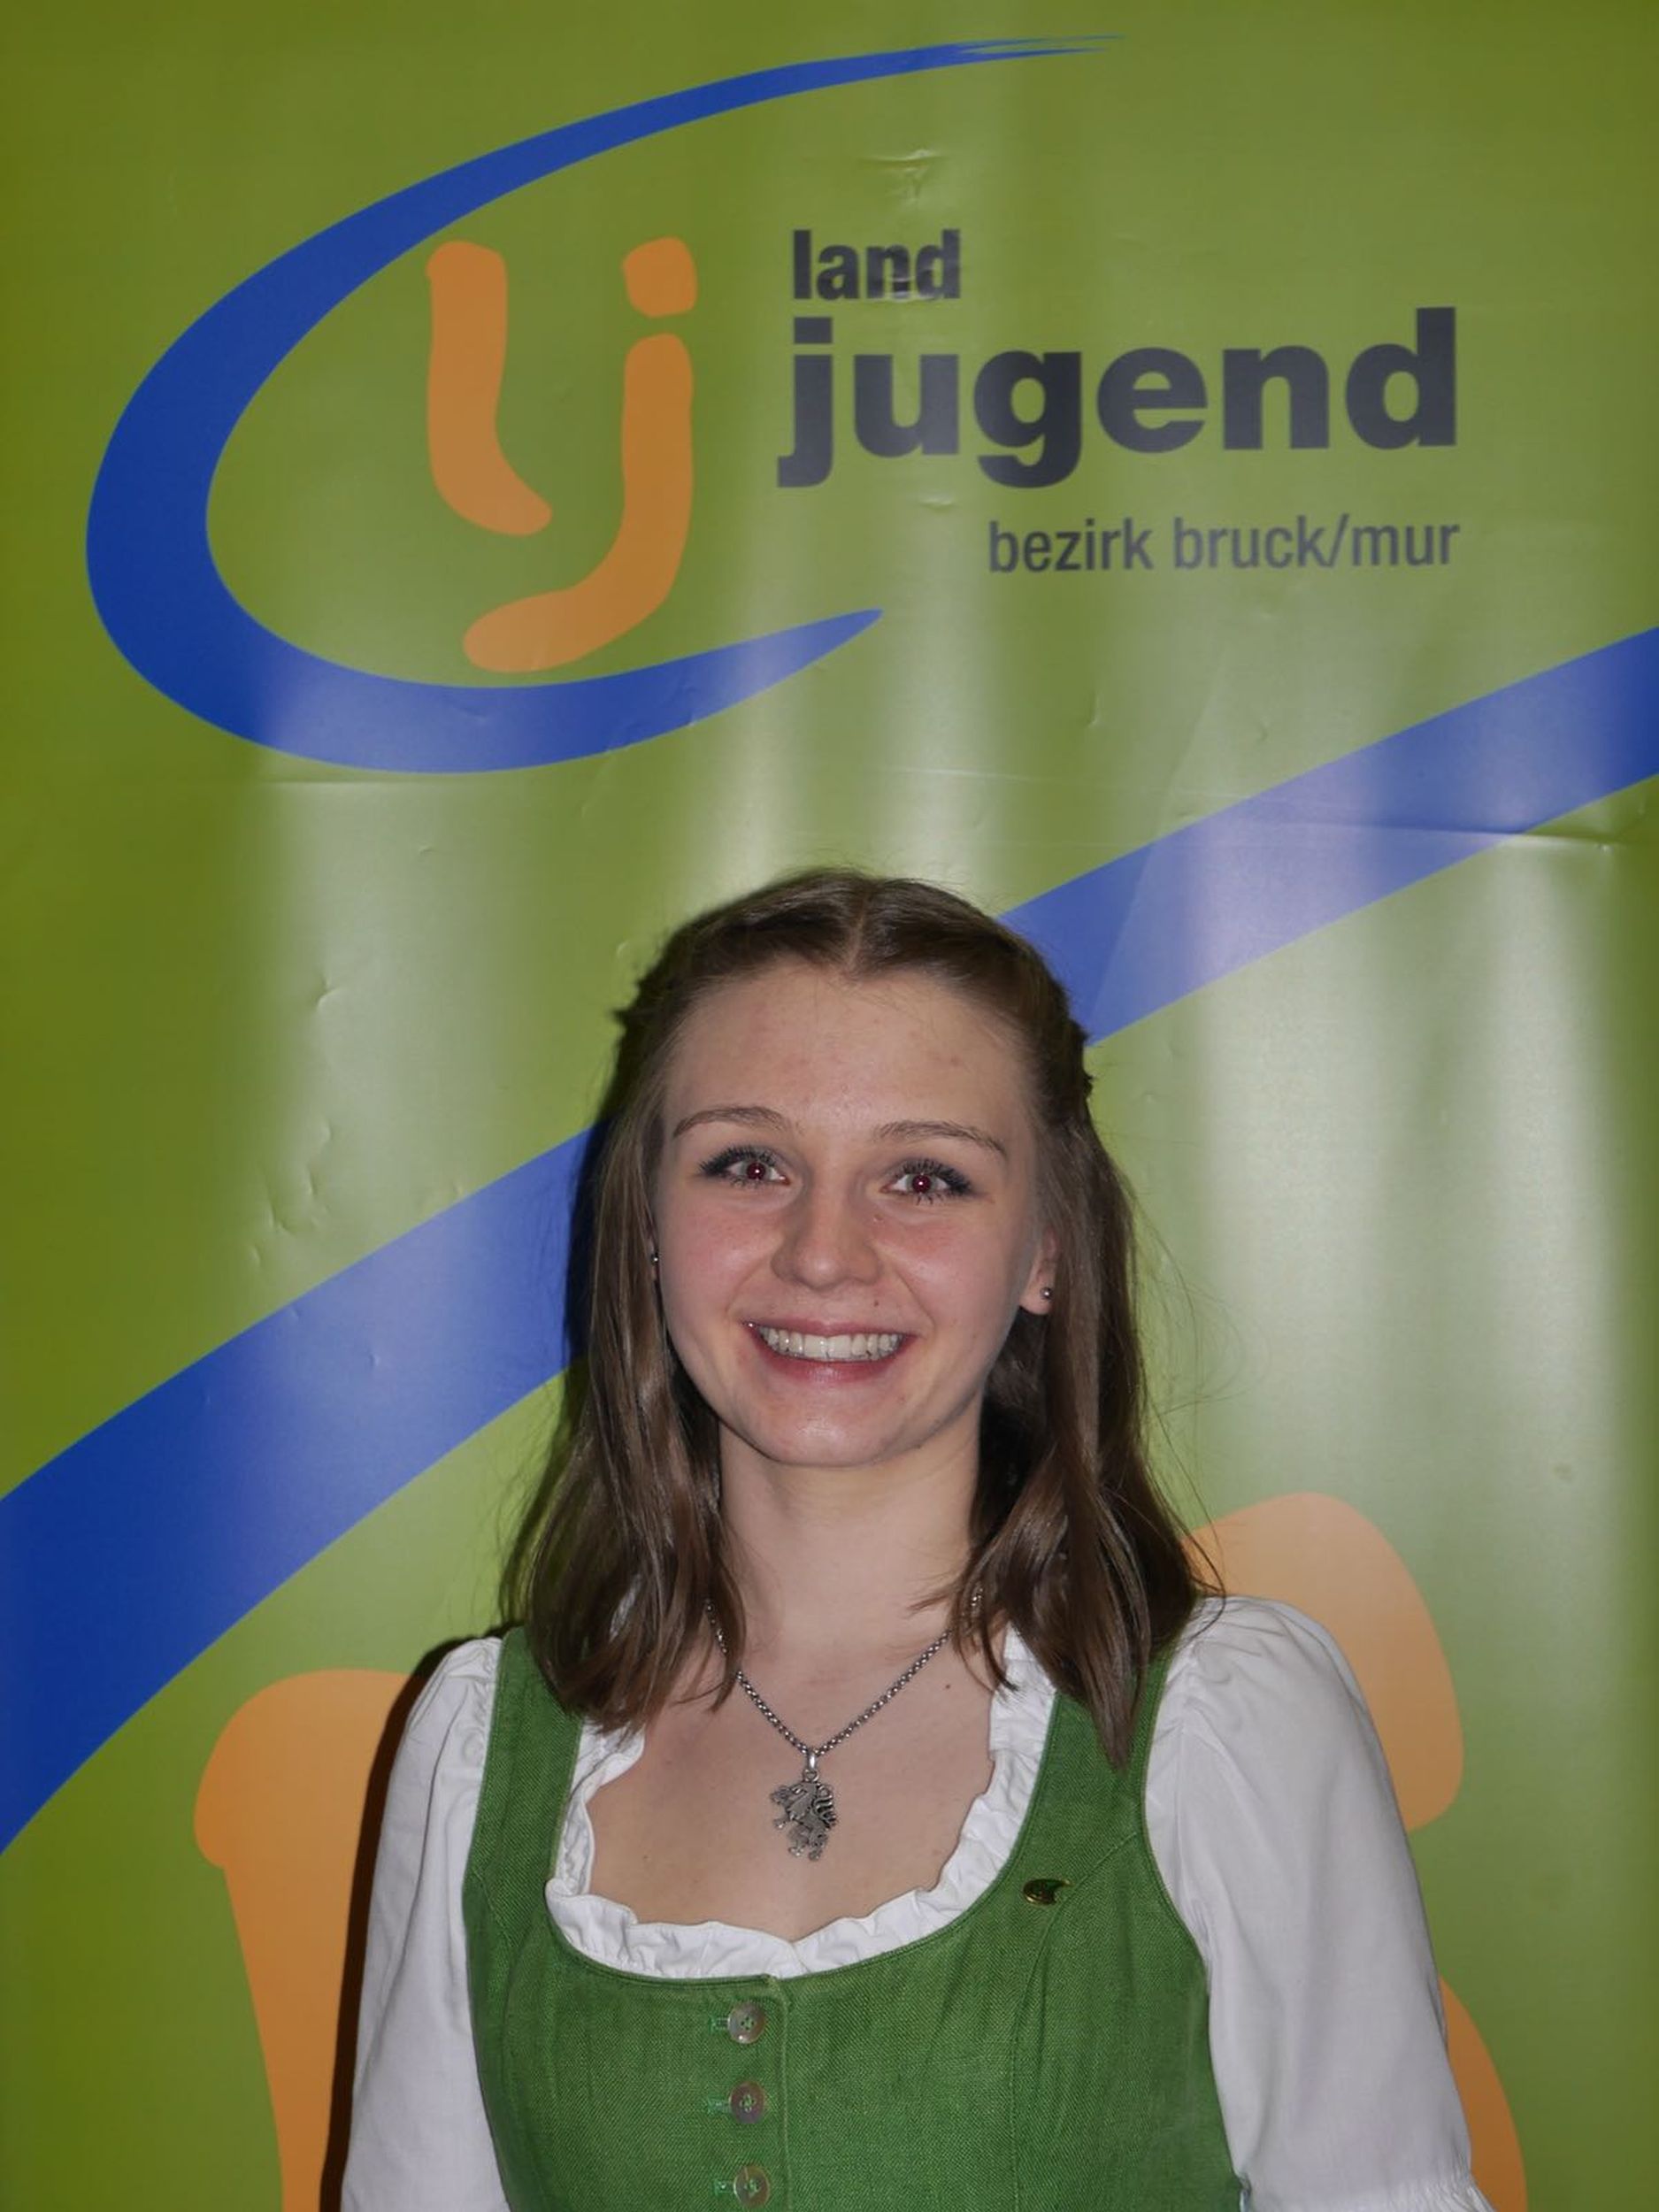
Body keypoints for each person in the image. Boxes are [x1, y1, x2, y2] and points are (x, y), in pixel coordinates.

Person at [343, 868, 1492, 2211]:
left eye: (925, 1178)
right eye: (749, 1164)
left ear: (1046, 1251)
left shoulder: (1218, 1723)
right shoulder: (482, 1747)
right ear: (646, 1221)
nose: (824, 1253)